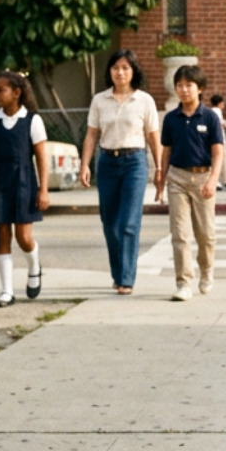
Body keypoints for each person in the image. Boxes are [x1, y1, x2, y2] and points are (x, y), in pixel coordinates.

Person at [79, 49, 161, 295]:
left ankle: (126, 278)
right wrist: (85, 165)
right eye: (116, 68)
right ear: (110, 71)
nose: (120, 72)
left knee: (128, 223)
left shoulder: (144, 100)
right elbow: (92, 134)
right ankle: (118, 273)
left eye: (125, 68)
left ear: (133, 71)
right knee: (110, 223)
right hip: (107, 163)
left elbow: (153, 136)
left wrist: (159, 169)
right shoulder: (100, 100)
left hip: (134, 162)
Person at [0, 71, 49, 307]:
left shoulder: (32, 120)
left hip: (24, 183)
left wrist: (43, 190)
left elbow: (41, 158)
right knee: (3, 237)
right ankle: (6, 290)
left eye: (1, 90)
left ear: (17, 93)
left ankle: (34, 264)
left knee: (24, 237)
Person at [155, 64, 223, 302]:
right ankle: (183, 282)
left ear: (200, 88)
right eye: (179, 85)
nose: (183, 90)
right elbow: (166, 151)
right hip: (177, 178)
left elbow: (218, 152)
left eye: (188, 85)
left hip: (204, 178)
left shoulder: (210, 117)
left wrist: (213, 180)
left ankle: (207, 271)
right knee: (180, 234)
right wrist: (161, 181)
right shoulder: (171, 119)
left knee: (205, 234)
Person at [210, 94, 226, 190]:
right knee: (222, 159)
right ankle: (224, 181)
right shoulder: (217, 111)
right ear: (219, 103)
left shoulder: (211, 111)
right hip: (219, 138)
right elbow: (220, 123)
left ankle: (223, 180)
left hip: (215, 139)